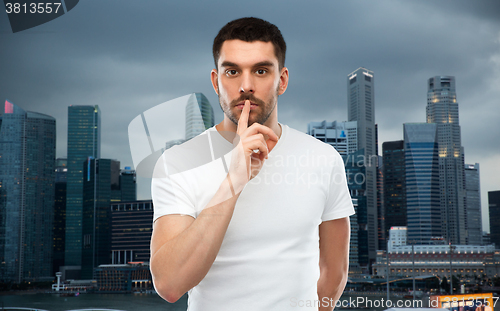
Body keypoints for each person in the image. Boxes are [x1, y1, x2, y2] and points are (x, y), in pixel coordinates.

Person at [150, 17, 355, 311]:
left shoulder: (323, 159)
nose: (246, 86)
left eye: (261, 71)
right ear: (215, 81)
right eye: (232, 71)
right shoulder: (178, 162)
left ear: (281, 80)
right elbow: (169, 284)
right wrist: (234, 180)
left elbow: (334, 273)